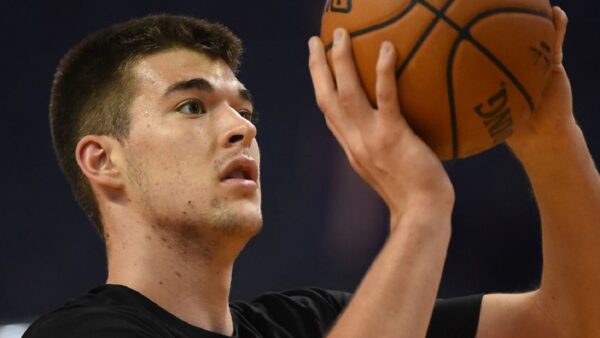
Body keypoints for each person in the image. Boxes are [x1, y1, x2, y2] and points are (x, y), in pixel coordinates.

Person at [24, 6, 598, 338]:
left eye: (245, 111)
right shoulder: (79, 335)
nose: (242, 129)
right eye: (192, 106)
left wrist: (551, 140)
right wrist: (421, 213)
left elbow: (571, 320)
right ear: (103, 161)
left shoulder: (307, 323)